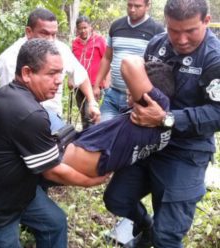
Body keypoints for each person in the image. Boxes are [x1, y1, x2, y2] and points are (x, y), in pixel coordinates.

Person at [0, 39, 109, 247]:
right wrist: (91, 181)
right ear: (26, 73)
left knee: (54, 223)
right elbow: (52, 171)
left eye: (60, 72)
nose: (59, 80)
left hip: (17, 191)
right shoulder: (28, 113)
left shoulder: (9, 94)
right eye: (52, 73)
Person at [103, 0, 220, 247]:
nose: (181, 39)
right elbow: (146, 83)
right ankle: (146, 225)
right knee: (116, 199)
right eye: (174, 30)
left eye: (190, 31)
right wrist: (134, 98)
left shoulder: (214, 59)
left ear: (206, 21)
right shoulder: (157, 44)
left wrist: (166, 118)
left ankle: (153, 236)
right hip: (148, 142)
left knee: (167, 237)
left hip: (185, 152)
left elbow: (217, 113)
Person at [63, 56, 175, 177]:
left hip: (74, 160)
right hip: (81, 156)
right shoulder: (155, 116)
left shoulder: (157, 103)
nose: (128, 89)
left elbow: (129, 62)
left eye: (133, 86)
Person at [0, 8, 100, 121]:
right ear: (29, 32)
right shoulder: (10, 59)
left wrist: (92, 102)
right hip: (24, 120)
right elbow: (9, 102)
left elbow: (80, 74)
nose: (50, 40)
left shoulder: (61, 49)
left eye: (54, 34)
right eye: (44, 33)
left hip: (54, 117)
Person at [94, 0, 164, 122]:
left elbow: (160, 67)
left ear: (148, 6)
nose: (132, 9)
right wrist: (96, 85)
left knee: (128, 138)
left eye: (137, 6)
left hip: (139, 98)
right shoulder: (116, 26)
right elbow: (107, 58)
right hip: (113, 94)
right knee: (102, 131)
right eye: (129, 5)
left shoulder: (157, 30)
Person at [72, 15, 107, 129]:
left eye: (85, 27)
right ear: (77, 29)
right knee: (83, 114)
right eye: (80, 28)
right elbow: (72, 63)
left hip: (94, 85)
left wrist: (104, 83)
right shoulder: (75, 43)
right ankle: (85, 138)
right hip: (78, 84)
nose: (83, 31)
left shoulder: (99, 40)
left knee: (90, 114)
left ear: (90, 27)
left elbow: (107, 61)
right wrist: (71, 80)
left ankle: (91, 140)